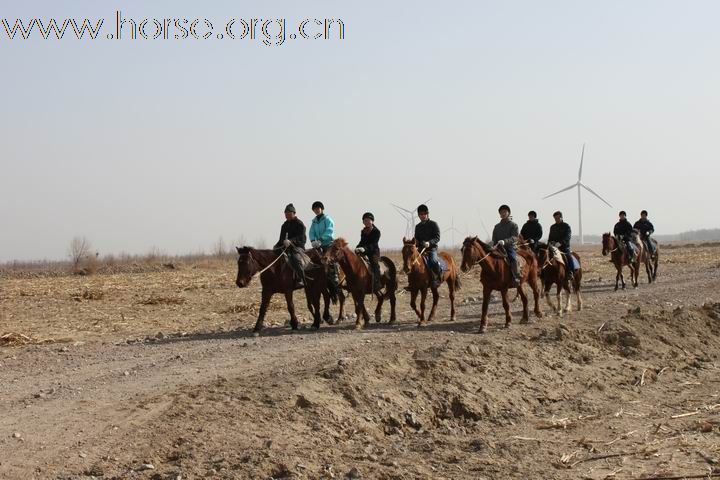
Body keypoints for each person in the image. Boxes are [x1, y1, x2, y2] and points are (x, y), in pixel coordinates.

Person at [273, 203, 307, 288]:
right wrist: (276, 246)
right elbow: (281, 239)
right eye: (285, 213)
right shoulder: (284, 225)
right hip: (286, 248)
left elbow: (302, 237)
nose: (287, 215)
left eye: (289, 213)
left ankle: (301, 279)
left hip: (297, 247)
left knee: (295, 258)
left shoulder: (300, 224)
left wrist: (291, 241)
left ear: (294, 213)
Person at [308, 201, 339, 294]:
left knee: (329, 258)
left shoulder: (327, 219)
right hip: (318, 244)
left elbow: (329, 230)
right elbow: (311, 232)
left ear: (322, 209)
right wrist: (313, 240)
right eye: (315, 209)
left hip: (328, 243)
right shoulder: (314, 221)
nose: (316, 210)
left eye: (318, 208)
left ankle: (335, 275)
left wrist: (321, 239)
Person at [492, 204, 520, 287]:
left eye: (504, 212)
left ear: (508, 213)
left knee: (513, 258)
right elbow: (494, 238)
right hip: (498, 247)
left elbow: (515, 237)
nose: (503, 213)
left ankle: (516, 277)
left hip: (509, 247)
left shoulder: (513, 225)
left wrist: (505, 241)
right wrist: (493, 244)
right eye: (501, 212)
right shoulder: (496, 227)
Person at [414, 204, 442, 287]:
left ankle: (436, 279)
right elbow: (417, 239)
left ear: (427, 214)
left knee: (433, 261)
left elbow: (437, 237)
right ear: (418, 215)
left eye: (424, 214)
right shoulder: (417, 227)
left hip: (431, 249)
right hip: (421, 249)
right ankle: (412, 282)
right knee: (412, 261)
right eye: (420, 214)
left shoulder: (433, 224)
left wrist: (429, 243)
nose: (422, 216)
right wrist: (415, 243)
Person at [355, 212, 382, 292]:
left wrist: (364, 249)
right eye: (365, 220)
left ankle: (377, 283)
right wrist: (357, 247)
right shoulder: (363, 231)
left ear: (372, 221)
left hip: (373, 252)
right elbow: (361, 241)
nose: (366, 222)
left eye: (368, 220)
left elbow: (374, 244)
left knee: (374, 264)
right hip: (364, 251)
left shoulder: (376, 231)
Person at [547, 211, 576, 281]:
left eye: (557, 218)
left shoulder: (566, 226)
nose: (556, 219)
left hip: (564, 247)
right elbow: (550, 237)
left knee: (568, 257)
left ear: (561, 217)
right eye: (555, 218)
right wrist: (550, 243)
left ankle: (570, 272)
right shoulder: (552, 227)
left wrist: (560, 243)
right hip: (554, 247)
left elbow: (568, 237)